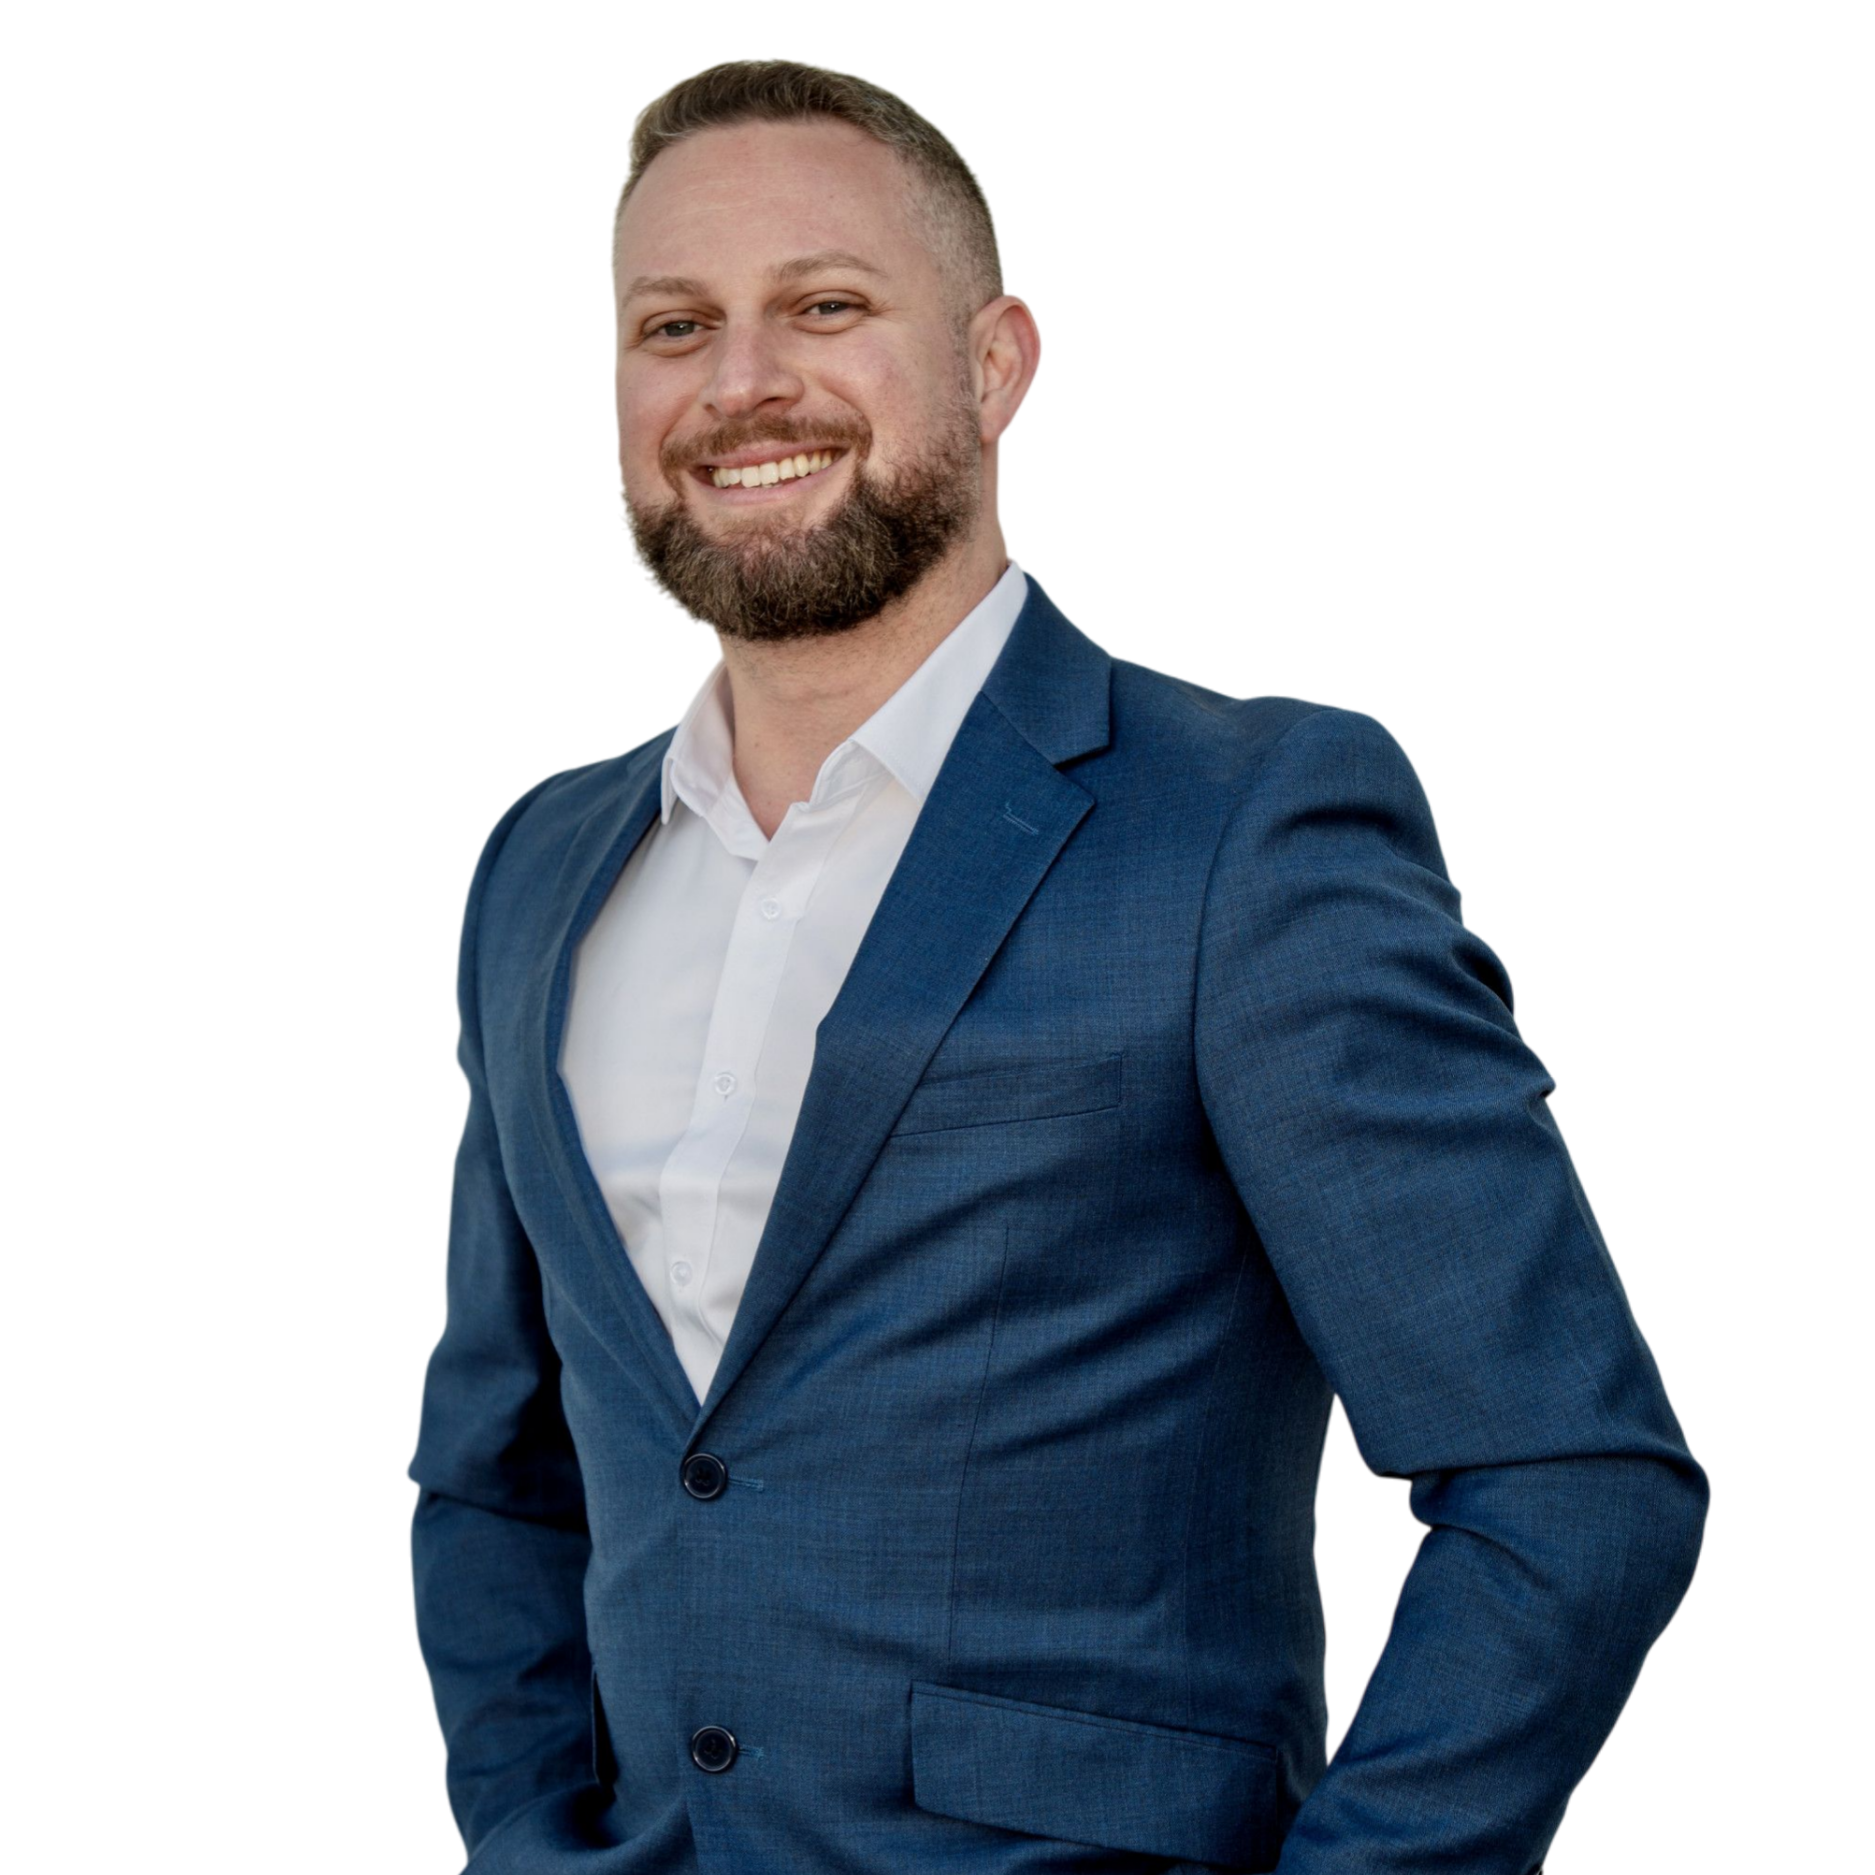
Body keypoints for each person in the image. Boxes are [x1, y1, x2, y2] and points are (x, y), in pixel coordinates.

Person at [408, 56, 1708, 1875]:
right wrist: (517, 1836)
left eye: (825, 306)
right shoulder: (542, 870)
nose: (739, 382)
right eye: (672, 324)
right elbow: (489, 1474)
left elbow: (1566, 1477)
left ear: (997, 363)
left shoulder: (1243, 823)